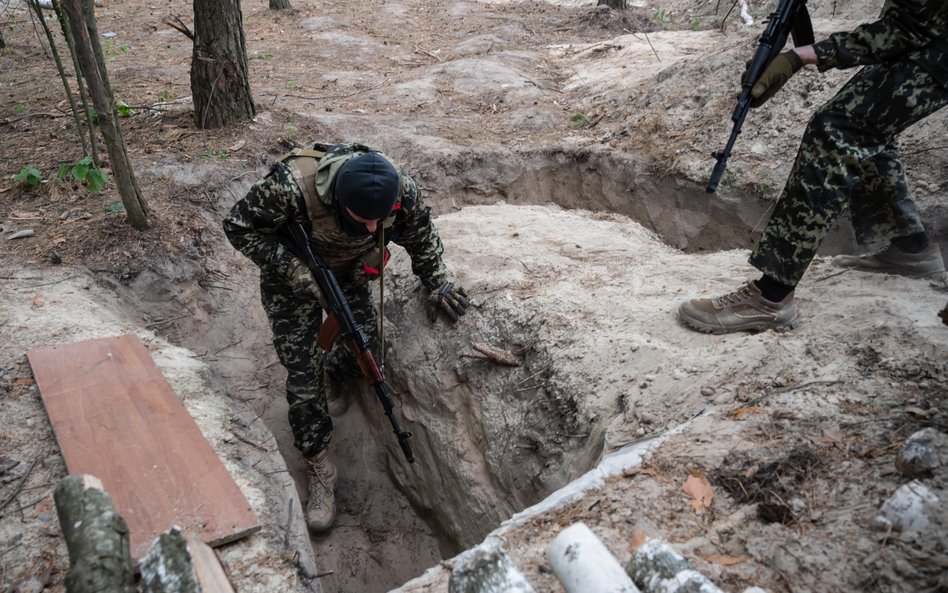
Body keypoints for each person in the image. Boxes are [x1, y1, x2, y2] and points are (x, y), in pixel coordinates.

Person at [223, 142, 469, 532]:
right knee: (303, 383)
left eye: (380, 220)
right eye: (361, 219)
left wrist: (437, 282)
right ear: (337, 200)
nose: (373, 228)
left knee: (365, 351)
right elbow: (237, 225)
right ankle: (319, 464)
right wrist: (291, 269)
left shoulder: (401, 192)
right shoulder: (289, 189)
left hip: (350, 274)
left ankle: (331, 375)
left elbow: (420, 234)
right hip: (293, 279)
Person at [679, 0, 947, 334]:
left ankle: (769, 298)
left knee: (838, 128)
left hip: (936, 40)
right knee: (863, 123)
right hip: (930, 31)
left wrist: (805, 55)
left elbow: (910, 28)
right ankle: (911, 247)